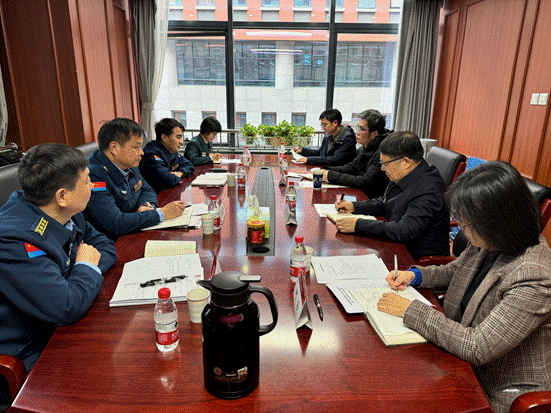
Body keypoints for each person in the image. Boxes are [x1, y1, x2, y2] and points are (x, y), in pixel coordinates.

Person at [377, 161, 551, 413]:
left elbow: (478, 347)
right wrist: (415, 276)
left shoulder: (534, 276)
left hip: (495, 388)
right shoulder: (494, 240)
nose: (461, 229)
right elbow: (455, 270)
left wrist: (410, 309)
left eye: (467, 224)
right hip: (456, 357)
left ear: (499, 222)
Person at [0, 143, 117, 373]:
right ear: (62, 196)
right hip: (30, 351)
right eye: (87, 180)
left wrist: (77, 278)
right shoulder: (13, 240)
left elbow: (105, 247)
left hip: (61, 326)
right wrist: (84, 267)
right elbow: (66, 306)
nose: (92, 185)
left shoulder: (66, 211)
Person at [334, 131, 449, 260]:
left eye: (385, 164)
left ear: (405, 162)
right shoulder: (404, 173)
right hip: (395, 246)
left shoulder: (429, 189)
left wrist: (358, 225)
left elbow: (404, 230)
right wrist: (354, 206)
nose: (382, 168)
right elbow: (386, 202)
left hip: (415, 261)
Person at [84, 118, 186, 239]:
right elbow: (115, 223)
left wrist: (146, 205)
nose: (142, 152)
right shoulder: (93, 177)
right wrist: (161, 214)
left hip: (135, 229)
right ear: (114, 148)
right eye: (136, 147)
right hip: (112, 242)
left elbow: (146, 189)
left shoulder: (130, 164)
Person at [321, 109, 391, 198]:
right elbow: (351, 167)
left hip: (371, 200)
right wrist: (326, 169)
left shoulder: (381, 153)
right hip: (361, 196)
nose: (357, 132)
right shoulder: (365, 148)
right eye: (358, 127)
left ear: (374, 134)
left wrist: (330, 176)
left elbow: (365, 182)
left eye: (361, 129)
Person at [139, 118, 195, 194]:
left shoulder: (171, 150)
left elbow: (189, 165)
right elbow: (168, 180)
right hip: (155, 197)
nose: (182, 142)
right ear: (164, 138)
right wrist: (174, 176)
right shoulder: (151, 155)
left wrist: (181, 173)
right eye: (178, 137)